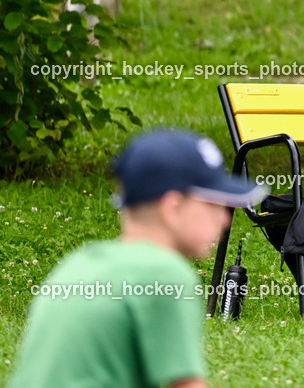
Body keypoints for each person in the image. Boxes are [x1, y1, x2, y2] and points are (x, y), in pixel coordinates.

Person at [8, 129, 268, 388]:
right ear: (173, 209)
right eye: (213, 204)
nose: (224, 219)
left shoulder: (78, 264)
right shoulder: (164, 274)